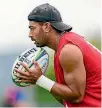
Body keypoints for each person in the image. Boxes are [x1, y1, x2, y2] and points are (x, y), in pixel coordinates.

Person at [14, 3, 101, 107]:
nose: (30, 34)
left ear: (46, 26)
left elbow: (77, 96)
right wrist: (40, 80)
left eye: (32, 28)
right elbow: (66, 99)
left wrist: (40, 79)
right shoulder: (62, 48)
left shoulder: (68, 50)